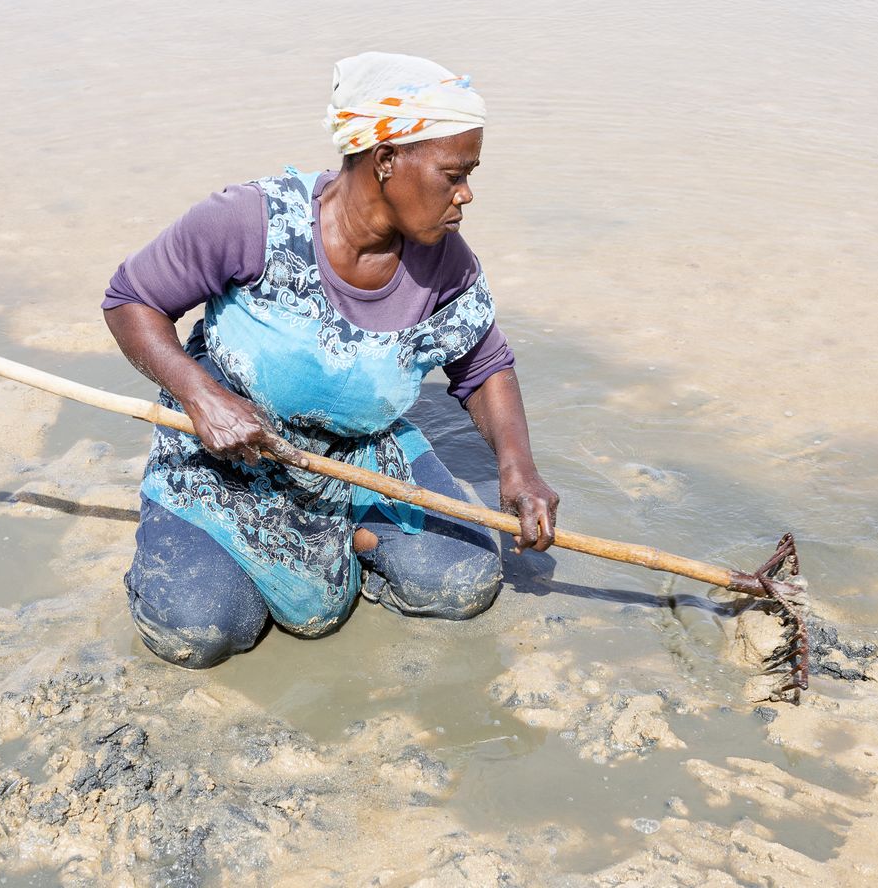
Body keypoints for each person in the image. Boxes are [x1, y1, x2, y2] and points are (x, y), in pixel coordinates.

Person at [101, 52, 559, 668]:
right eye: (453, 174)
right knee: (201, 628)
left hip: (357, 453)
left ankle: (346, 539)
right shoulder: (252, 221)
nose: (466, 194)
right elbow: (131, 300)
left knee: (464, 583)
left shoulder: (445, 261)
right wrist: (201, 396)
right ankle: (271, 541)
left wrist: (518, 468)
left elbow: (483, 367)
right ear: (386, 160)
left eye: (469, 174)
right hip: (230, 454)